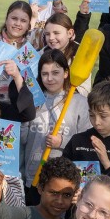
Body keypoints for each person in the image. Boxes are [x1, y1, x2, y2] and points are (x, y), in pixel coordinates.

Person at [22, 49, 90, 184]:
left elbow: (86, 141)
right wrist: (23, 119)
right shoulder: (33, 99)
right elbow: (23, 139)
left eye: (55, 73)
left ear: (66, 73)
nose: (50, 78)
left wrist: (62, 141)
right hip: (34, 175)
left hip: (63, 179)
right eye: (44, 74)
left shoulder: (79, 102)